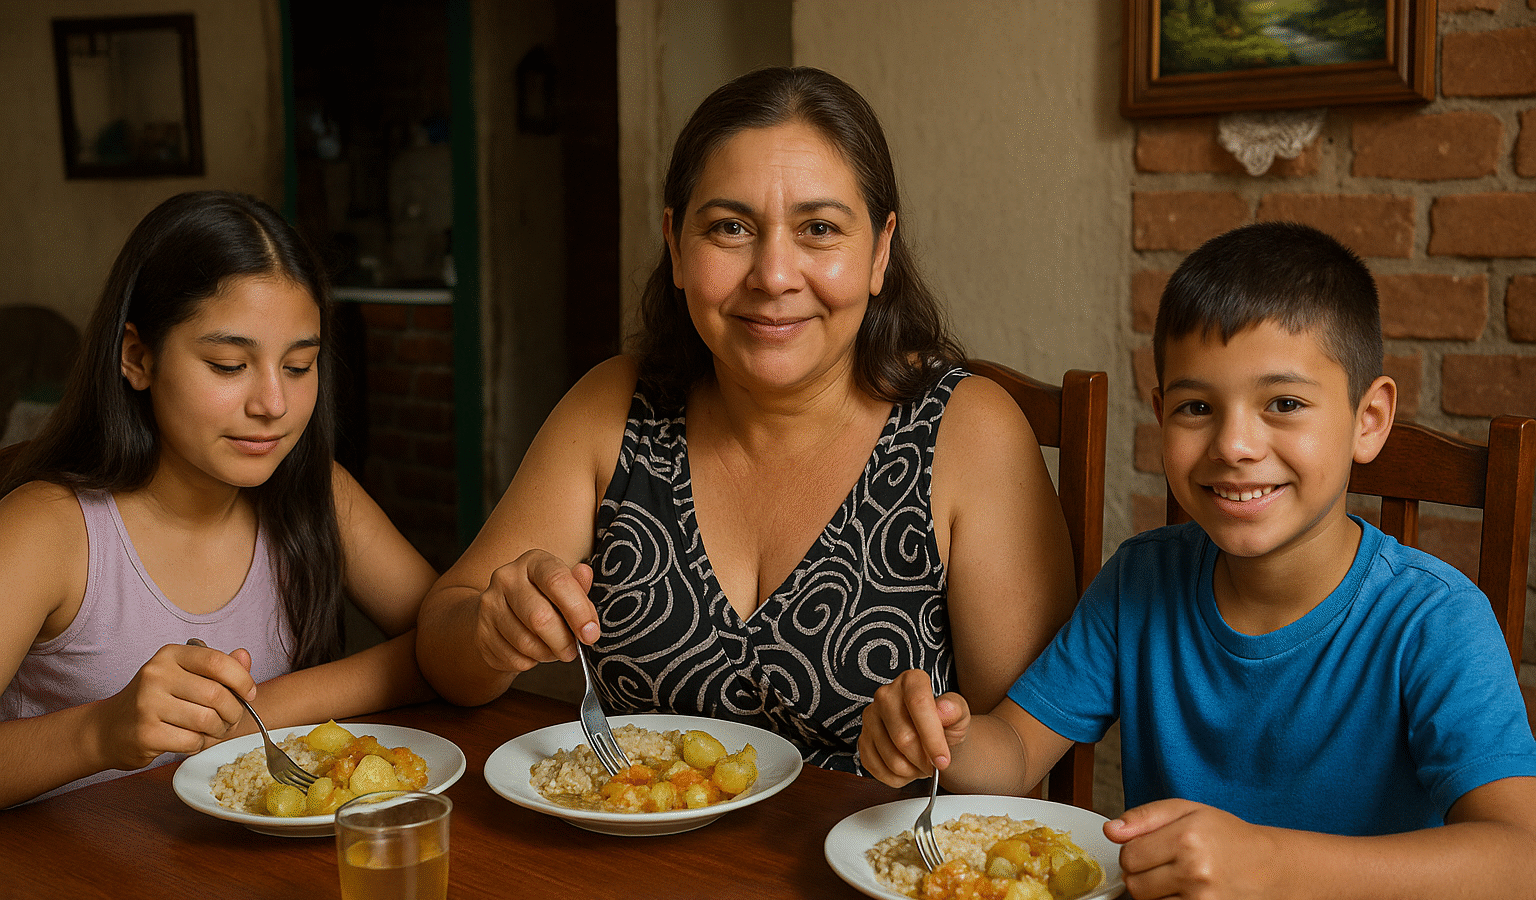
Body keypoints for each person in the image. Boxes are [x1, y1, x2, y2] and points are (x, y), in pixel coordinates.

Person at [415, 66, 1077, 773]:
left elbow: (1019, 763)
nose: (774, 275)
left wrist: (941, 742)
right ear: (675, 244)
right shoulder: (613, 406)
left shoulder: (968, 433)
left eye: (819, 229)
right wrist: (489, 635)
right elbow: (443, 636)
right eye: (730, 227)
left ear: (881, 251)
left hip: (874, 873)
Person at [860, 221, 1536, 897]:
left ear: (1369, 419)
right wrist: (944, 739)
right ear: (1160, 416)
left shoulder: (1434, 622)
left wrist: (1273, 865)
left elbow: (1519, 859)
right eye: (1196, 407)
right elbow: (1013, 750)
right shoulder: (1141, 581)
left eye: (1285, 403)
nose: (1234, 443)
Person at [0, 190, 441, 807]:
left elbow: (450, 645)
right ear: (137, 357)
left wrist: (261, 706)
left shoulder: (317, 494)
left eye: (298, 366)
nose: (273, 406)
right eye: (230, 365)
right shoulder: (49, 529)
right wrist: (99, 732)